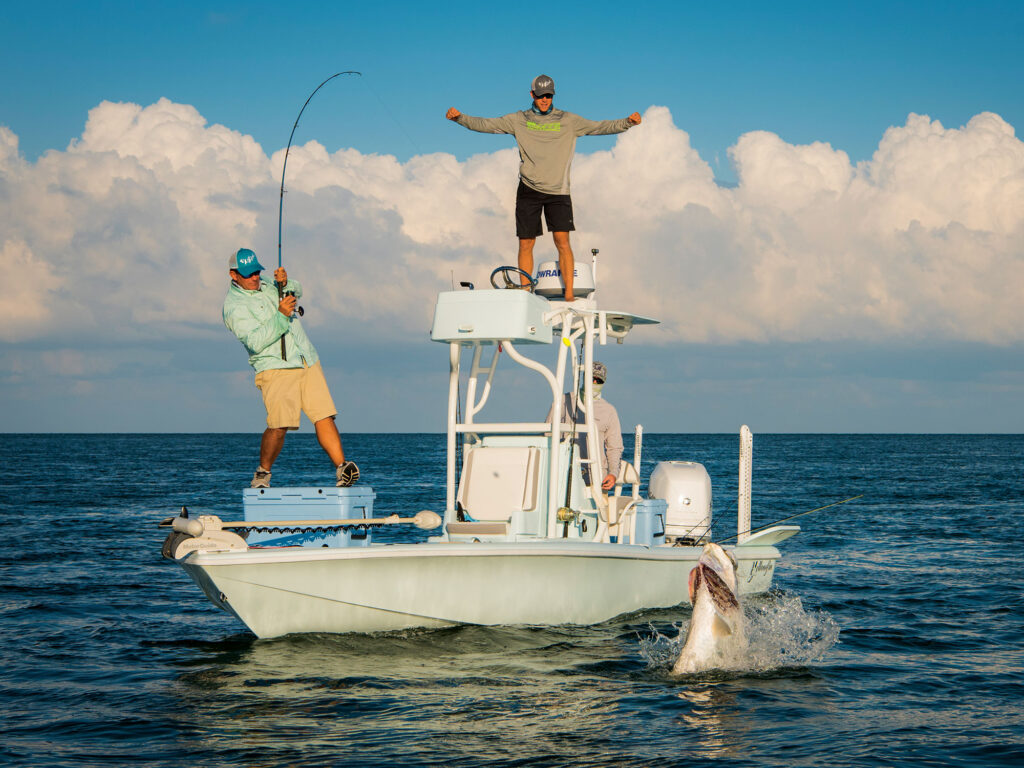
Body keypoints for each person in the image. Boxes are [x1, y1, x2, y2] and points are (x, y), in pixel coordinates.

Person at [446, 75, 641, 301]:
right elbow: (487, 125)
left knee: (562, 241)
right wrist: (460, 118)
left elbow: (600, 127)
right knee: (526, 242)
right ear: (532, 95)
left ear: (553, 95)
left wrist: (627, 122)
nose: (545, 100)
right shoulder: (519, 120)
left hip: (558, 191)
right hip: (528, 189)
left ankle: (569, 295)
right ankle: (525, 294)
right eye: (540, 96)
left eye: (548, 96)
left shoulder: (568, 120)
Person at [223, 247, 359, 489]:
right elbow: (254, 342)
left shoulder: (266, 283)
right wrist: (281, 316)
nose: (255, 277)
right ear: (234, 275)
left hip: (306, 357)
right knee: (278, 426)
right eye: (248, 274)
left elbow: (297, 290)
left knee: (324, 415)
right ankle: (263, 474)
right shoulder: (233, 307)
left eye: (256, 271)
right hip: (274, 367)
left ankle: (342, 469)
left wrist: (286, 282)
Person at [548, 361, 623, 491]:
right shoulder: (562, 401)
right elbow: (547, 434)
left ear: (603, 382)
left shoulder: (609, 410)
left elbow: (614, 447)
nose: (594, 383)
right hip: (563, 472)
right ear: (584, 378)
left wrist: (613, 473)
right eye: (591, 379)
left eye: (598, 380)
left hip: (596, 476)